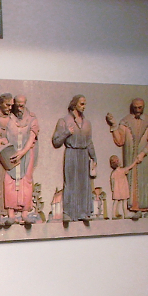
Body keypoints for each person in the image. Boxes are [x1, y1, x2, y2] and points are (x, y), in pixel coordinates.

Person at [0, 93, 39, 227]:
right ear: (0, 104)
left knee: (15, 182)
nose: (10, 108)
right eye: (8, 105)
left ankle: (15, 212)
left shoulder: (13, 119)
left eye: (12, 105)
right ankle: (0, 214)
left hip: (12, 156)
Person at [108, 97, 148, 219]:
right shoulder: (125, 121)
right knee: (133, 182)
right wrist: (114, 125)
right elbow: (120, 140)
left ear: (143, 107)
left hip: (145, 158)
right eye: (135, 107)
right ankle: (136, 209)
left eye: (140, 107)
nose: (137, 110)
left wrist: (143, 153)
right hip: (130, 157)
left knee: (147, 181)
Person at [53, 95, 98, 226]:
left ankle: (83, 212)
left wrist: (94, 157)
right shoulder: (64, 121)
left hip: (83, 154)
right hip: (71, 153)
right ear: (74, 105)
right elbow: (56, 141)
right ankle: (68, 212)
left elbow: (89, 142)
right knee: (70, 183)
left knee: (84, 184)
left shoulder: (87, 123)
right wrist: (66, 132)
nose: (84, 107)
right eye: (82, 104)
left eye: (85, 104)